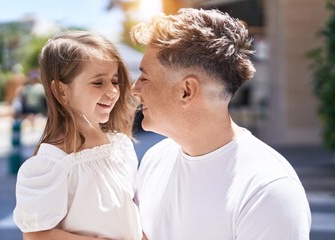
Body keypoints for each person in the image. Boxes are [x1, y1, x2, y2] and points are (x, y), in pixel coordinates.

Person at [130, 8, 311, 240]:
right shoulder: (155, 159)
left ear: (187, 91)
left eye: (145, 77)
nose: (135, 90)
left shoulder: (268, 190)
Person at [13, 31, 142, 240]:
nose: (112, 92)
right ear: (62, 91)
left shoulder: (121, 145)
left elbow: (133, 214)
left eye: (115, 81)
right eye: (98, 82)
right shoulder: (53, 164)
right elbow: (37, 235)